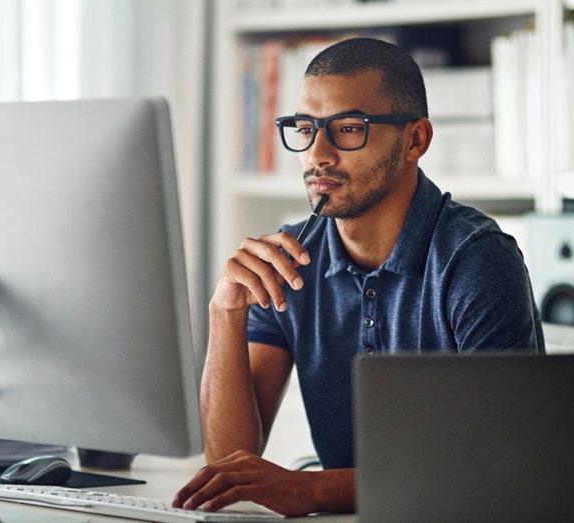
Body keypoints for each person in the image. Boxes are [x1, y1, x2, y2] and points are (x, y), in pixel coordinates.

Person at [172, 37, 545, 516]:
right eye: (305, 128)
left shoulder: (477, 260)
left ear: (415, 140)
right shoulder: (289, 259)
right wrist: (224, 312)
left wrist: (311, 490)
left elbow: (498, 465)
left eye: (348, 128)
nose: (318, 154)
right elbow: (228, 465)